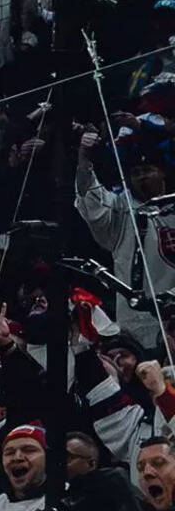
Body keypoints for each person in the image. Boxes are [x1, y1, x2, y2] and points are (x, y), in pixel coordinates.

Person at [75, 131, 174, 348]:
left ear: (163, 172)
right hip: (137, 323)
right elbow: (91, 201)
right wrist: (84, 158)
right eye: (136, 172)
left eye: (147, 170)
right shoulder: (120, 208)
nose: (141, 177)